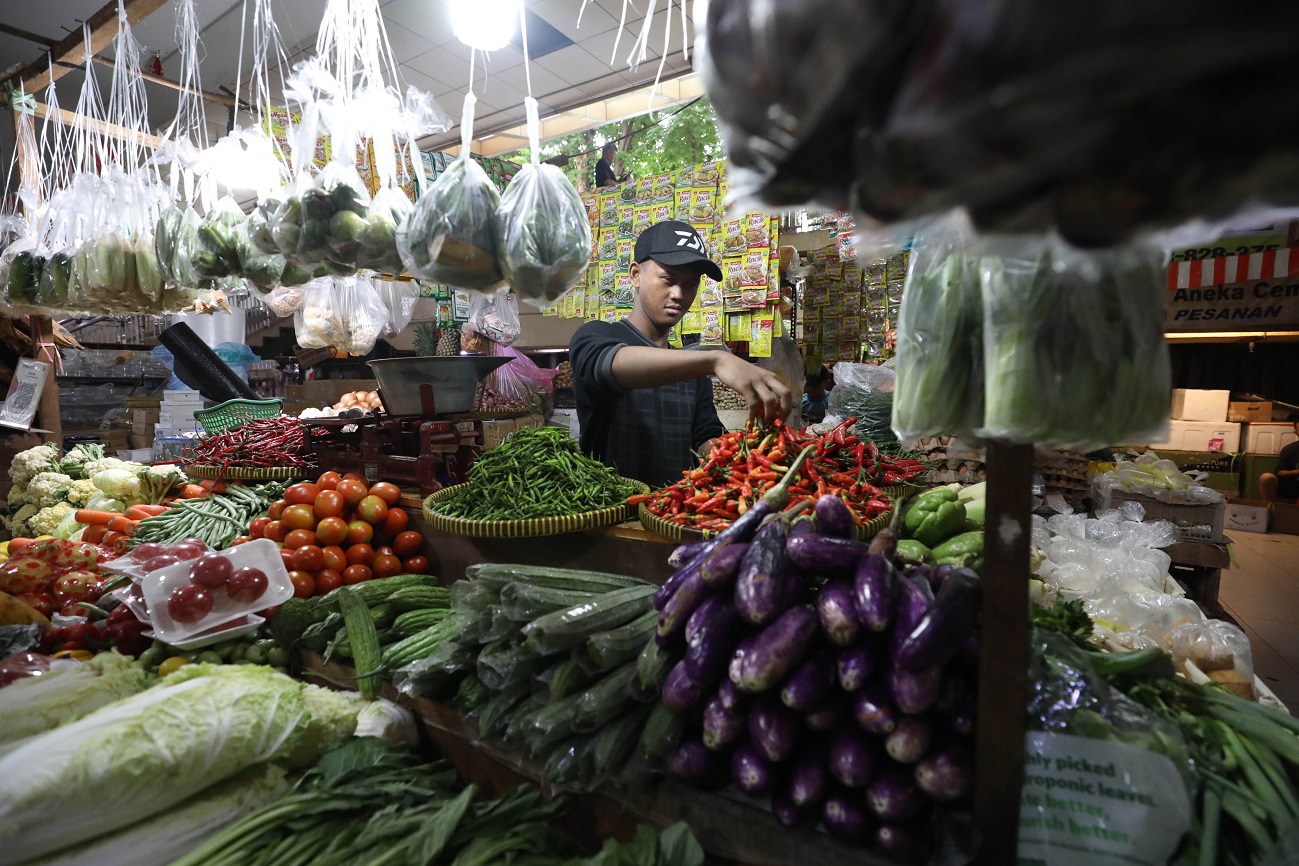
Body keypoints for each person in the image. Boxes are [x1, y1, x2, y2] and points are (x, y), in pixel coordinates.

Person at [570, 220, 792, 487]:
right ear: (635, 275)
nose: (679, 294)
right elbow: (608, 365)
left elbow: (704, 436)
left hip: (673, 515)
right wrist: (716, 359)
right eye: (669, 279)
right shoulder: (597, 335)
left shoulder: (692, 370)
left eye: (690, 284)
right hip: (614, 519)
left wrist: (750, 451)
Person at [1259, 421, 1299, 502]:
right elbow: (1280, 472)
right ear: (1296, 433)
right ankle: (1271, 510)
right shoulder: (1289, 449)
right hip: (1292, 489)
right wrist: (1296, 472)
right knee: (1266, 477)